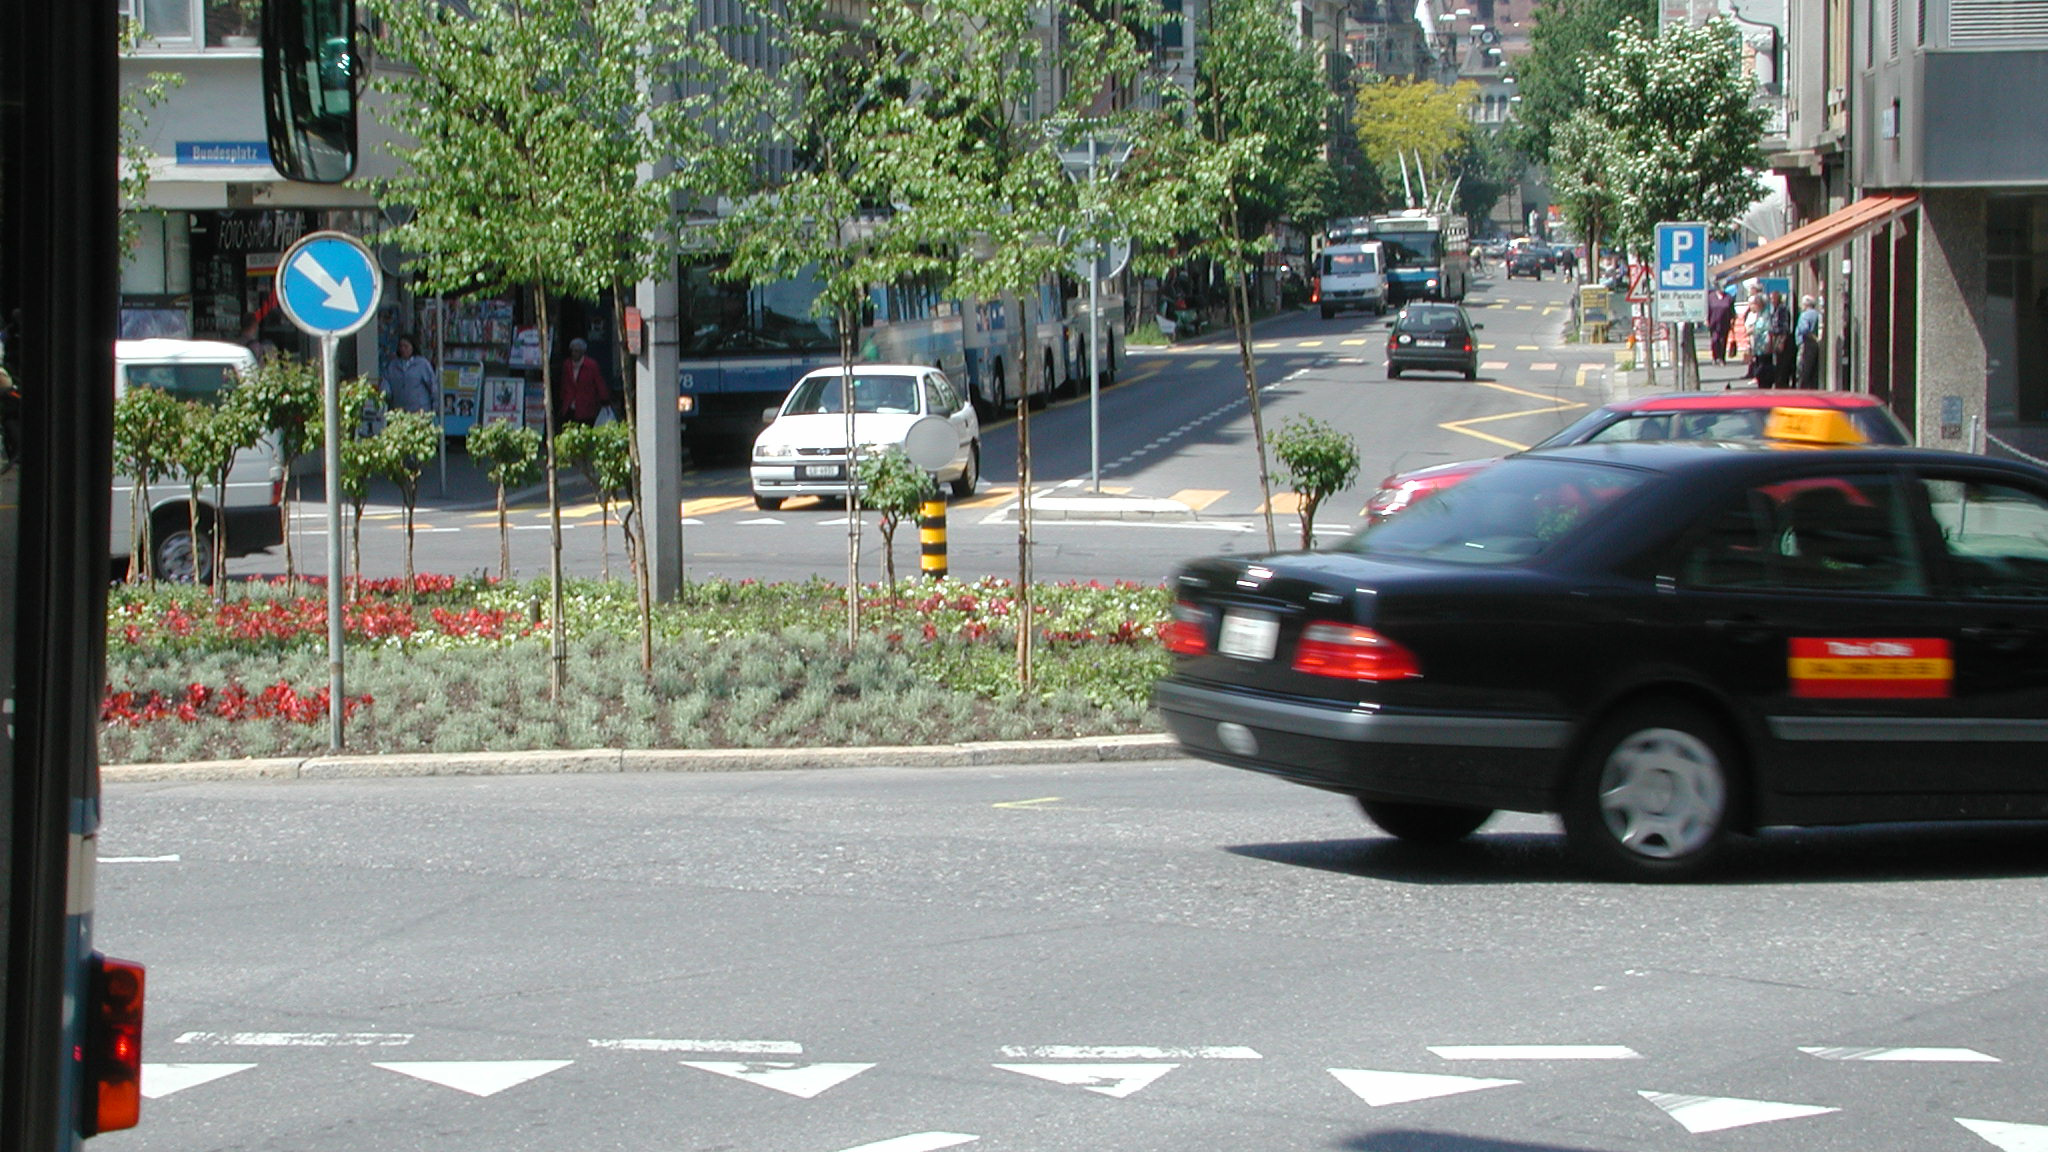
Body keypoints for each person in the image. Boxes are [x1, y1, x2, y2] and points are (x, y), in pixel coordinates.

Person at [557, 337, 611, 427]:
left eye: (577, 351)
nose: (574, 354)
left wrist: (605, 399)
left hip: (586, 405)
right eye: (573, 351)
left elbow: (599, 383)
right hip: (569, 404)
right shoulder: (567, 365)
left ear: (582, 352)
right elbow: (564, 384)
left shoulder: (591, 365)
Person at [380, 336, 437, 413]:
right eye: (401, 346)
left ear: (412, 347)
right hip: (399, 410)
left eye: (406, 346)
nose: (403, 349)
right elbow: (385, 381)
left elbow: (433, 385)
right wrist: (385, 393)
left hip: (420, 410)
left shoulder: (422, 364)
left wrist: (436, 405)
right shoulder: (392, 365)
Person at [1763, 290, 1796, 388]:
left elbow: (1785, 327)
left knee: (1782, 363)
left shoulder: (1782, 309)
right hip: (1775, 337)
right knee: (1777, 361)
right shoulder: (1774, 309)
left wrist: (1782, 341)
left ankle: (1782, 383)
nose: (1771, 301)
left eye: (1772, 299)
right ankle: (1778, 382)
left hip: (1782, 337)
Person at [1795, 294, 1823, 390]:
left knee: (1802, 369)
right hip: (1815, 345)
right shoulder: (1817, 314)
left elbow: (1804, 329)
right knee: (1813, 370)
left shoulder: (1804, 315)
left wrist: (1813, 337)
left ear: (1806, 305)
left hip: (1806, 343)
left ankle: (1802, 390)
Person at [1706, 286, 1735, 366]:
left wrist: (1732, 319)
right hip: (1713, 322)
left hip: (1725, 322)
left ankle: (1722, 358)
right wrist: (1706, 319)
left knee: (1723, 340)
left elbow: (1732, 310)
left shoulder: (1728, 297)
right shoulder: (1711, 297)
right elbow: (1707, 309)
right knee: (1715, 340)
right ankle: (1715, 357)